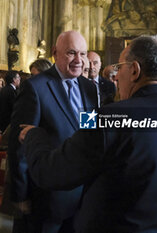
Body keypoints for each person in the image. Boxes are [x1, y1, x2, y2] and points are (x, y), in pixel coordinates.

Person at [20, 35, 157, 233]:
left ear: (135, 70)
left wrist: (33, 136)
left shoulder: (109, 117)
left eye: (119, 68)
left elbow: (52, 173)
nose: (116, 76)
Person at [8, 30, 98, 233]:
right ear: (55, 52)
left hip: (81, 197)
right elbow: (19, 145)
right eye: (71, 53)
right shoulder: (35, 87)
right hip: (45, 198)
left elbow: (88, 132)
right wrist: (20, 194)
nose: (78, 60)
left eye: (83, 54)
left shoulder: (89, 88)